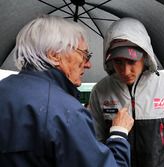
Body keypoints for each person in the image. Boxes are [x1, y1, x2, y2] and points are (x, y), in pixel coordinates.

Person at [0, 15, 134, 167]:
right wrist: (119, 134)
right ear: (54, 55)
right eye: (84, 55)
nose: (88, 64)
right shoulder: (66, 111)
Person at [89, 17, 164, 167]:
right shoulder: (100, 90)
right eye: (118, 62)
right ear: (109, 59)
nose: (125, 71)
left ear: (145, 55)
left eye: (131, 61)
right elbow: (96, 143)